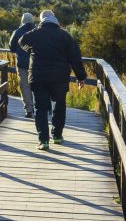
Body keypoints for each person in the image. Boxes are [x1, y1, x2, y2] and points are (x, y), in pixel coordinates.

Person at [18, 10, 86, 151]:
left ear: (42, 20)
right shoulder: (65, 36)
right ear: (55, 19)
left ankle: (43, 140)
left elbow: (21, 41)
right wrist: (81, 77)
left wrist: (31, 49)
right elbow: (75, 57)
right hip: (59, 78)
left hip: (38, 77)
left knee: (40, 108)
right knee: (59, 105)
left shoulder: (35, 34)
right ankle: (57, 135)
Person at [9, 13, 36, 118]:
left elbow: (11, 48)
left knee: (25, 86)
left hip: (22, 64)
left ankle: (29, 110)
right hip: (36, 64)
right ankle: (40, 108)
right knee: (37, 86)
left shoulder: (17, 32)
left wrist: (19, 51)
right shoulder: (37, 31)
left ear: (22, 21)